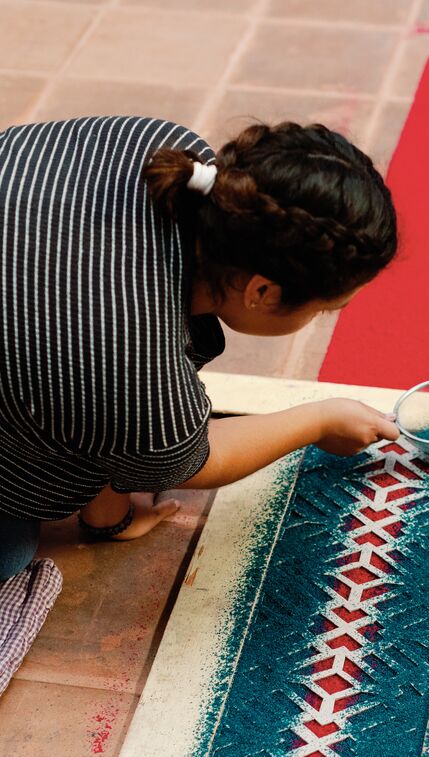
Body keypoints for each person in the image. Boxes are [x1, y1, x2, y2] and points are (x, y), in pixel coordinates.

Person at [0, 117, 400, 582]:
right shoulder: (133, 362)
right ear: (263, 292)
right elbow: (199, 457)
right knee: (12, 552)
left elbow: (99, 397)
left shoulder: (172, 156)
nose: (328, 316)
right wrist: (321, 419)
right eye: (327, 308)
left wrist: (109, 511)